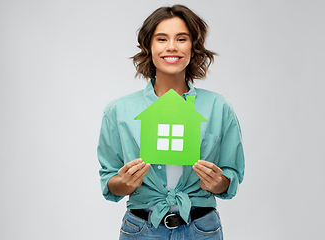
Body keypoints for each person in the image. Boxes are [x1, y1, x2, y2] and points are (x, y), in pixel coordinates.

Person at [97, 4, 245, 239]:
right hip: (142, 229)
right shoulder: (118, 111)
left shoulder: (219, 108)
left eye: (182, 38)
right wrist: (124, 183)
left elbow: (231, 176)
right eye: (162, 39)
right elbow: (109, 180)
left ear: (194, 47)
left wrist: (218, 183)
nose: (172, 47)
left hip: (202, 228)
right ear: (149, 46)